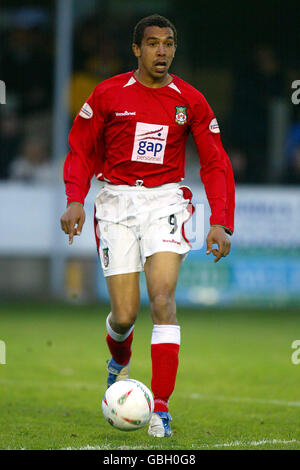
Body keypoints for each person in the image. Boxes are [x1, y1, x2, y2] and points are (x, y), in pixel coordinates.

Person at [60, 14, 235, 438]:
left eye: (169, 43)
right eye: (153, 43)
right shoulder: (107, 94)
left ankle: (160, 410)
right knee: (123, 315)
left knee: (162, 300)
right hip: (116, 203)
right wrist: (74, 198)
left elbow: (214, 160)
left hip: (166, 201)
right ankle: (118, 360)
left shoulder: (190, 100)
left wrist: (221, 221)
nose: (162, 51)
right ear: (136, 50)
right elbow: (81, 150)